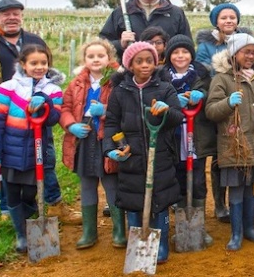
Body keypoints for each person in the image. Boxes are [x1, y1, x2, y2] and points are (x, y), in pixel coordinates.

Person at [0, 0, 79, 224]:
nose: (11, 18)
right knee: (5, 161)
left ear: (22, 16)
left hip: (38, 116)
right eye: (6, 14)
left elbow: (46, 71)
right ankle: (8, 209)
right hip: (5, 117)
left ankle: (52, 204)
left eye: (16, 13)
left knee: (44, 158)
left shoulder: (35, 41)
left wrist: (48, 95)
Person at [103, 41, 183, 264]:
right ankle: (139, 245)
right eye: (139, 61)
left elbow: (179, 116)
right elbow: (111, 123)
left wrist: (166, 111)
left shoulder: (165, 88)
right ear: (130, 65)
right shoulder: (119, 92)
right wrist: (110, 148)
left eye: (149, 60)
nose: (145, 65)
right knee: (133, 198)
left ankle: (161, 242)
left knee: (161, 198)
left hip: (160, 155)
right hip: (131, 155)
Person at [0, 44, 64, 253]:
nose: (39, 67)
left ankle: (29, 224)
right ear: (23, 64)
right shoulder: (7, 88)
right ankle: (22, 235)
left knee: (30, 193)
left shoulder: (53, 90)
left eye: (43, 63)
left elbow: (53, 119)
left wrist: (44, 100)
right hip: (10, 152)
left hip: (35, 154)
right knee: (11, 194)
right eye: (34, 63)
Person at [205, 33, 254, 251]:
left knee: (250, 188)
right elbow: (211, 110)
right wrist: (227, 102)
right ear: (234, 53)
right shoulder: (221, 79)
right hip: (233, 146)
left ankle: (249, 229)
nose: (251, 56)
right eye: (246, 52)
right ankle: (236, 234)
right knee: (236, 189)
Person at [60, 38, 126, 249]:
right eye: (91, 56)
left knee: (110, 184)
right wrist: (71, 126)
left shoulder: (117, 81)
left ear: (109, 58)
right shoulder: (77, 83)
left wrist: (105, 111)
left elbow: (125, 108)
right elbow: (65, 108)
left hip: (106, 138)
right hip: (84, 140)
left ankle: (119, 231)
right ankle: (89, 232)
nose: (96, 60)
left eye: (100, 56)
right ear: (84, 60)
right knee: (87, 184)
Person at [195, 3, 254, 223]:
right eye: (224, 18)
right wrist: (225, 77)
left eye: (232, 17)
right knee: (219, 155)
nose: (229, 21)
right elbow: (202, 71)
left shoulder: (247, 41)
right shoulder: (206, 45)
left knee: (239, 149)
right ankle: (219, 204)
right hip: (219, 100)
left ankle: (236, 202)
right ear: (216, 21)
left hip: (242, 102)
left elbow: (253, 64)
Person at [158, 34, 216, 246]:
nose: (180, 56)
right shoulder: (161, 76)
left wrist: (201, 93)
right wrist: (173, 99)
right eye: (175, 52)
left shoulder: (202, 74)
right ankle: (182, 227)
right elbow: (156, 97)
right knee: (179, 179)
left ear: (191, 55)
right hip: (173, 137)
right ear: (169, 55)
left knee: (198, 179)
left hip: (196, 135)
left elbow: (212, 94)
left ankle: (198, 227)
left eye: (185, 52)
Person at [99, 0, 192, 63]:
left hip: (166, 74)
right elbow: (102, 45)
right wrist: (120, 44)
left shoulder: (176, 13)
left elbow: (187, 46)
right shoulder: (120, 12)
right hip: (130, 74)